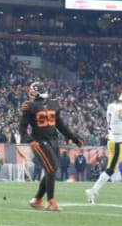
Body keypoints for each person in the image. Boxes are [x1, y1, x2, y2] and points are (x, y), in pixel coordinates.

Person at [19, 81, 83, 212]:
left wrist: (73, 138)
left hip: (53, 140)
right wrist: (29, 140)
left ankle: (37, 199)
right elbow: (22, 128)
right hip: (39, 141)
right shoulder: (29, 106)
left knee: (51, 169)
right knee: (51, 169)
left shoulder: (53, 103)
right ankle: (50, 201)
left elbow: (60, 124)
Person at [86, 90, 122, 204]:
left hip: (114, 140)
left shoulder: (112, 106)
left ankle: (94, 190)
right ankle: (93, 190)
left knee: (112, 169)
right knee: (111, 169)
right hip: (118, 142)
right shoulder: (120, 109)